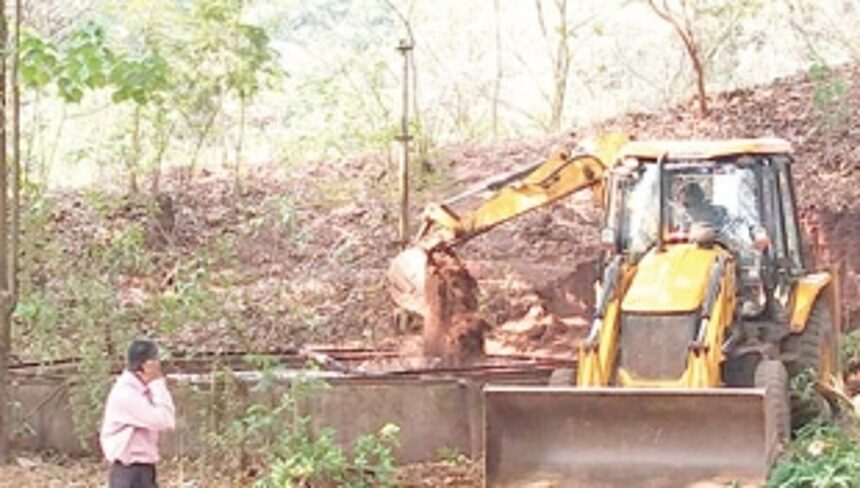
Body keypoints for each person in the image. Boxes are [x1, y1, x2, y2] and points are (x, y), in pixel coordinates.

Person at [100, 339, 176, 488]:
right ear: (146, 365)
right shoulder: (127, 394)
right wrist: (157, 382)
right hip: (129, 472)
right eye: (156, 361)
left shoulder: (141, 389)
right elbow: (165, 420)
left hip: (143, 469)